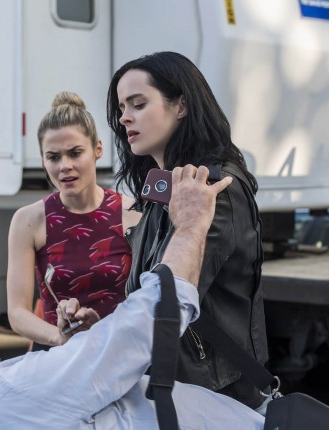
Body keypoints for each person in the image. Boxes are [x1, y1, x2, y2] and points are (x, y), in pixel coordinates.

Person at [0, 165, 265, 430]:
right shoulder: (9, 396)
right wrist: (190, 224)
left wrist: (83, 341)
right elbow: (147, 323)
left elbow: (78, 398)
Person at [107, 51, 269, 410]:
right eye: (121, 108)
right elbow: (147, 293)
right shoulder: (166, 186)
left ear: (181, 105)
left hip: (213, 395)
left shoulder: (211, 188)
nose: (124, 118)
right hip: (176, 387)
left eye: (138, 104)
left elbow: (165, 303)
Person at [6, 91, 141, 350]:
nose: (64, 166)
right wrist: (62, 338)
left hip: (121, 353)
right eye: (53, 157)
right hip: (59, 357)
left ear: (97, 149)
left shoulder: (133, 213)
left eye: (75, 153)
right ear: (43, 160)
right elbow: (17, 313)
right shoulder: (28, 220)